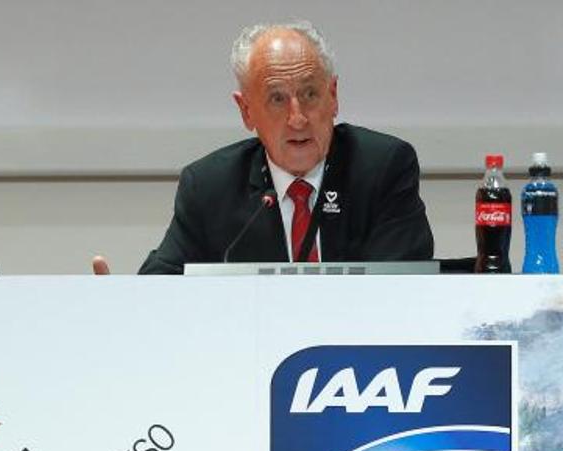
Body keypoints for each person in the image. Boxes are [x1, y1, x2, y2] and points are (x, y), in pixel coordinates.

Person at [130, 21, 433, 274]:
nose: (298, 119)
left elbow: (400, 289)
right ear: (246, 110)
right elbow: (163, 283)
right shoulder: (210, 186)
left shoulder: (382, 168)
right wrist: (113, 297)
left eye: (310, 94)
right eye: (277, 99)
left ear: (333, 95)